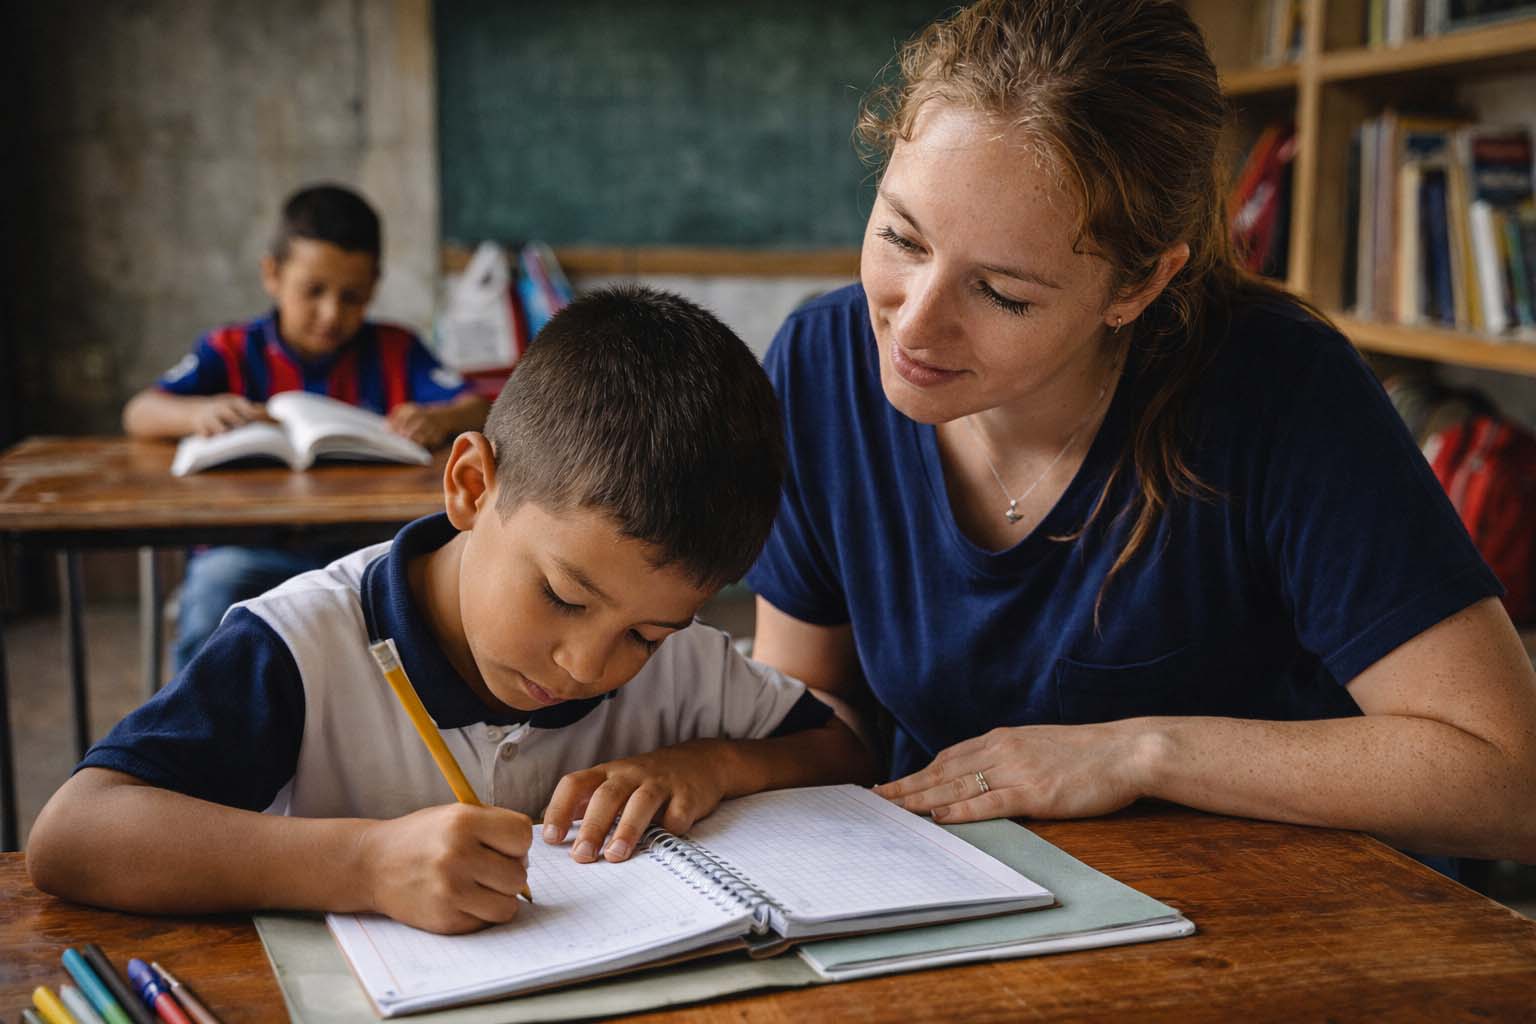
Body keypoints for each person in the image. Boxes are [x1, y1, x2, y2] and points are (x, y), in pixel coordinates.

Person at [746, 0, 1536, 867]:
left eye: (1003, 293)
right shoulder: (820, 362)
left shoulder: (1280, 386)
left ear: (1138, 285)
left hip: (1267, 915)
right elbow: (818, 704)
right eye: (901, 236)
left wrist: (1137, 752)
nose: (914, 327)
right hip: (954, 889)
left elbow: (1507, 783)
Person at [29, 285, 876, 934]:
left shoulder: (684, 667)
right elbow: (76, 835)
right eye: (563, 595)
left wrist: (712, 767)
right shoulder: (306, 645)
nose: (589, 666)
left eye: (645, 636)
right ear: (472, 485)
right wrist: (360, 864)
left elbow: (843, 744)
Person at [122, 183, 490, 670]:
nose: (331, 313)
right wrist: (197, 413)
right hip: (246, 549)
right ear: (272, 274)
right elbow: (140, 411)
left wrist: (441, 418)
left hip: (365, 549)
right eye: (313, 291)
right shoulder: (230, 349)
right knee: (214, 590)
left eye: (352, 297)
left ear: (375, 286)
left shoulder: (396, 350)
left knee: (419, 607)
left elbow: (480, 405)